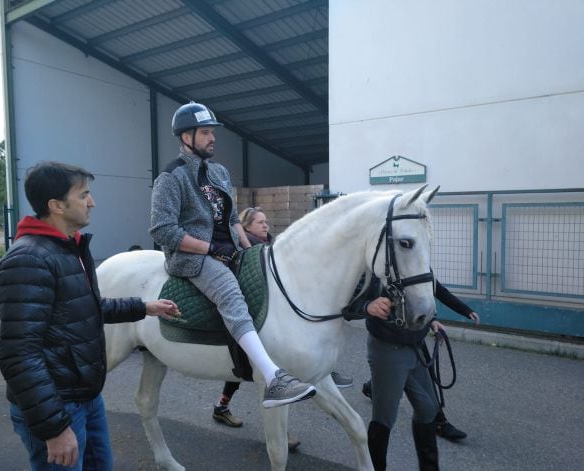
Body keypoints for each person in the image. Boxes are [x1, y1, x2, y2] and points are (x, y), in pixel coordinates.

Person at [0, 161, 181, 471]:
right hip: (58, 408)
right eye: (84, 195)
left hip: (87, 398)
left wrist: (144, 307)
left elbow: (85, 308)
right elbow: (18, 354)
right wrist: (54, 428)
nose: (92, 201)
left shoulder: (69, 249)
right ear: (57, 206)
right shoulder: (28, 261)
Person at [149, 102, 316, 413]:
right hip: (193, 258)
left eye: (213, 133)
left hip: (230, 249)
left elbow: (233, 220)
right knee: (230, 293)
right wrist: (210, 249)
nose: (213, 138)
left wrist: (250, 249)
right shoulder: (171, 177)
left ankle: (311, 363)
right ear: (186, 137)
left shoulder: (220, 172)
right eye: (206, 133)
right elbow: (162, 229)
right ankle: (273, 377)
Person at [211, 207, 353, 448]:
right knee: (247, 364)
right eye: (260, 222)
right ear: (247, 227)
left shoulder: (272, 244)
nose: (266, 225)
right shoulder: (253, 247)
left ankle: (224, 405)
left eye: (267, 221)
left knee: (247, 368)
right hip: (250, 300)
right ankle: (227, 408)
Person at [355, 277, 479, 470]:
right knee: (384, 418)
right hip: (387, 350)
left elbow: (428, 294)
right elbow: (347, 302)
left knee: (429, 409)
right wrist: (367, 306)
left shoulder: (418, 261)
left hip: (416, 347)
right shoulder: (375, 261)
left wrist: (432, 320)